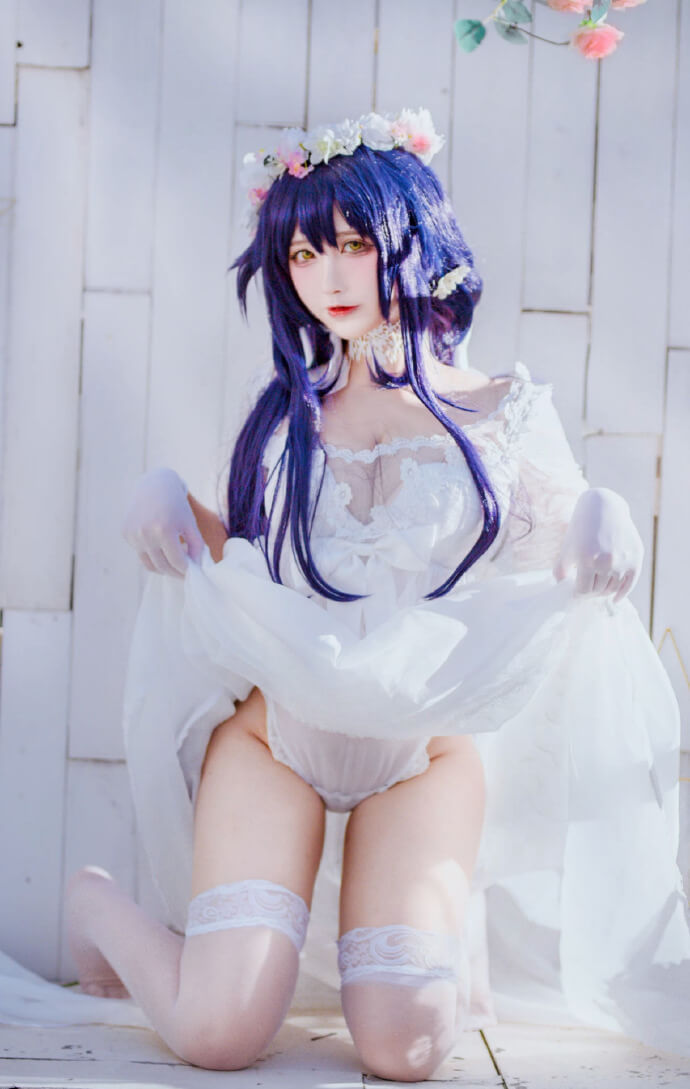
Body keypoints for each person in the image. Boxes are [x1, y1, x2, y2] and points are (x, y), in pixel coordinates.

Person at [1, 108, 688, 1078]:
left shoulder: (500, 410)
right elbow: (249, 566)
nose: (326, 276)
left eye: (353, 244)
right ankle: (95, 902)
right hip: (278, 738)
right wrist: (169, 501)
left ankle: (447, 933)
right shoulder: (286, 417)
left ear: (413, 237)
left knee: (407, 1048)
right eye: (302, 252)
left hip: (423, 754)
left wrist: (601, 514)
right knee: (217, 1034)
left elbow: (566, 549)